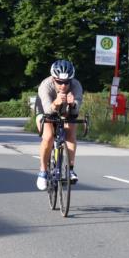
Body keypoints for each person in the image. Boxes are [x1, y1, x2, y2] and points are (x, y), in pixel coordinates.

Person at [34, 59, 84, 190]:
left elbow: (76, 110)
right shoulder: (45, 85)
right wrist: (55, 103)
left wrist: (73, 104)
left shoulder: (76, 85)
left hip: (66, 109)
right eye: (59, 82)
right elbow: (47, 110)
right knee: (48, 136)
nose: (63, 86)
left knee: (71, 132)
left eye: (66, 82)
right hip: (46, 108)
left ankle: (70, 169)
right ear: (53, 78)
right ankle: (43, 171)